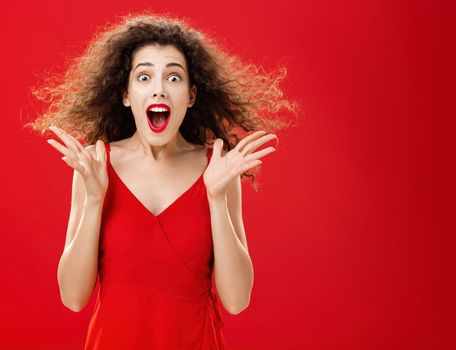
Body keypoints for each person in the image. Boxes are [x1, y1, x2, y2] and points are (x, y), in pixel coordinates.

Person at [26, 12, 297, 349]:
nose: (159, 89)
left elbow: (237, 300)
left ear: (191, 95)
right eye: (144, 77)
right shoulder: (95, 166)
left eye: (173, 78)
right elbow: (72, 297)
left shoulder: (218, 170)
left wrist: (216, 196)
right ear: (126, 95)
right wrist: (95, 199)